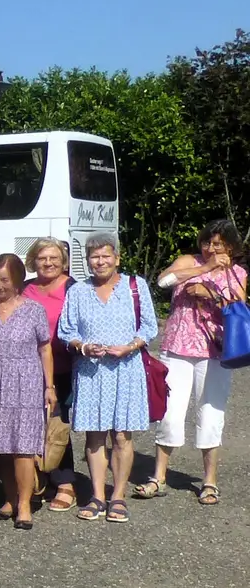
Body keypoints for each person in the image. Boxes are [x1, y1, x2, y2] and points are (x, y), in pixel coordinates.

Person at [57, 233, 158, 524]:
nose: (99, 262)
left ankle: (119, 497)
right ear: (87, 261)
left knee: (123, 436)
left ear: (117, 258)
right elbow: (66, 330)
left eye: (105, 256)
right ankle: (98, 496)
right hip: (90, 372)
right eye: (94, 257)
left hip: (127, 369)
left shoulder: (135, 286)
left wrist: (130, 346)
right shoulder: (77, 291)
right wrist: (83, 346)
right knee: (94, 436)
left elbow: (149, 327)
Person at [148, 220, 245, 504]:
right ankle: (158, 477)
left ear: (230, 246)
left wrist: (211, 293)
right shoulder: (187, 261)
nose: (211, 248)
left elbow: (238, 307)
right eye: (207, 242)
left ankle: (209, 481)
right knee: (169, 413)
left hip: (215, 351)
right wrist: (205, 269)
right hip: (178, 348)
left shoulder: (237, 272)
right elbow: (163, 281)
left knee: (210, 414)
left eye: (218, 244)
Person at [0, 254, 55, 530]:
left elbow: (45, 348)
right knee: (2, 448)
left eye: (4, 280)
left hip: (25, 382)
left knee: (23, 449)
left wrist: (49, 386)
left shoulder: (33, 309)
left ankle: (24, 505)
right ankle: (9, 499)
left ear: (18, 281)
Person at [22, 238, 78, 511]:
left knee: (56, 426)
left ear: (63, 261)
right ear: (33, 260)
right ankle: (36, 477)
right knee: (30, 425)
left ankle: (65, 481)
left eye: (54, 258)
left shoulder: (73, 289)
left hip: (64, 368)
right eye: (42, 258)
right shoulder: (25, 289)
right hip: (26, 369)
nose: (48, 263)